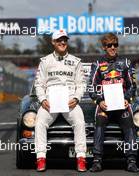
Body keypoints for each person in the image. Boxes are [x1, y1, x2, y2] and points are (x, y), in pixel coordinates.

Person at [34, 29, 87, 172]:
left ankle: (81, 158)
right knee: (39, 122)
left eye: (65, 40)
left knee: (80, 122)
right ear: (53, 42)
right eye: (59, 40)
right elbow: (39, 84)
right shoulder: (45, 61)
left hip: (70, 100)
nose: (62, 42)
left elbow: (81, 84)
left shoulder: (76, 62)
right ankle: (41, 158)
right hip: (50, 101)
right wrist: (43, 99)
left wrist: (76, 98)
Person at [89, 32, 139, 172]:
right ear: (104, 47)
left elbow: (132, 86)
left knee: (130, 124)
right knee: (99, 124)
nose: (112, 47)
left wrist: (127, 99)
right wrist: (99, 101)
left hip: (121, 105)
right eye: (109, 45)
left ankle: (131, 161)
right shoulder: (97, 64)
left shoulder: (126, 63)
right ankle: (97, 161)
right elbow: (91, 87)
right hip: (105, 105)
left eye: (115, 45)